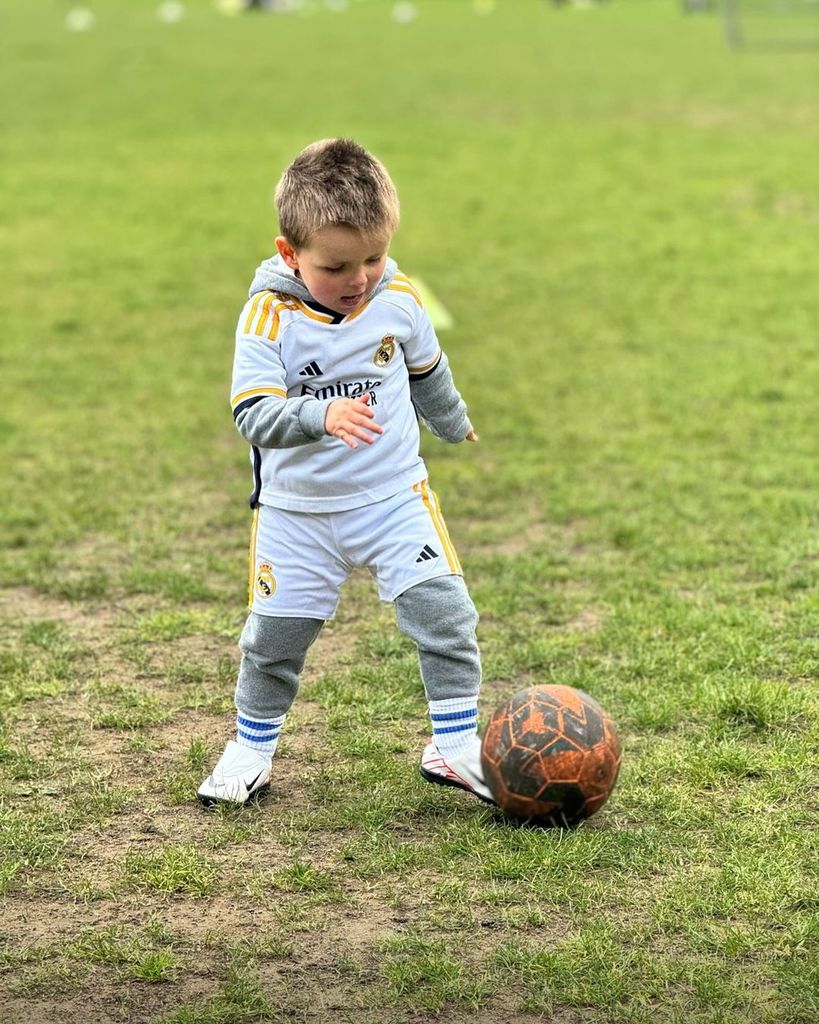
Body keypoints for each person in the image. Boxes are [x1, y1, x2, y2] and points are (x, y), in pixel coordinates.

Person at [198, 139, 492, 807]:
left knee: (444, 612)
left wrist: (451, 422)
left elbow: (427, 371)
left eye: (373, 257)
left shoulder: (399, 298)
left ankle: (453, 745)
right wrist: (320, 417)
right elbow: (252, 414)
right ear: (288, 254)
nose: (359, 278)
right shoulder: (268, 317)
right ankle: (251, 749)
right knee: (274, 642)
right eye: (335, 266)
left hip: (393, 498)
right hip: (297, 512)